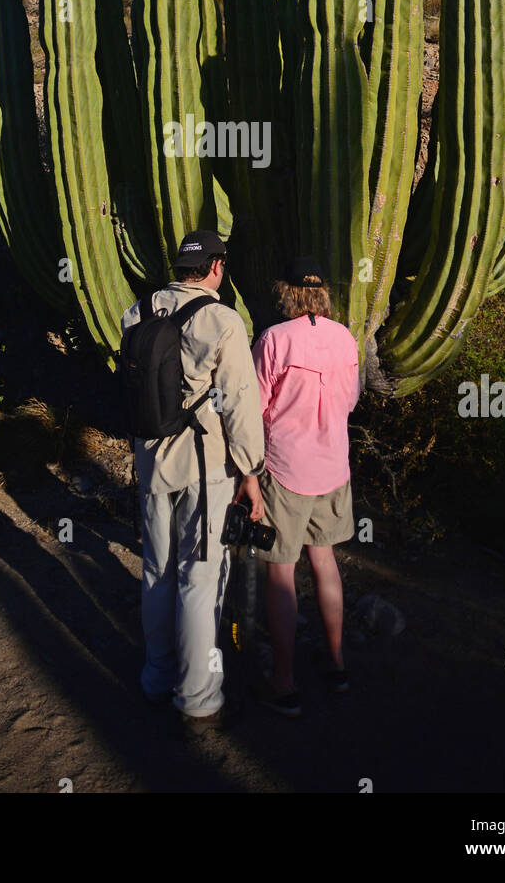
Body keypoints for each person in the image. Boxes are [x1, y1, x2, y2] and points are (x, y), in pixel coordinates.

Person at [120, 229, 265, 734]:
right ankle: (197, 695)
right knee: (199, 579)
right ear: (216, 268)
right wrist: (251, 469)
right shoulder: (222, 321)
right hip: (205, 464)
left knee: (156, 570)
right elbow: (240, 402)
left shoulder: (137, 311)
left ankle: (157, 676)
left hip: (151, 461)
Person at [252, 256, 361, 717]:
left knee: (280, 569)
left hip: (285, 469)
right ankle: (336, 665)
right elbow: (351, 400)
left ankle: (284, 680)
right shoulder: (344, 337)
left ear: (288, 291)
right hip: (333, 465)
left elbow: (254, 406)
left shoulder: (275, 339)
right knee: (325, 560)